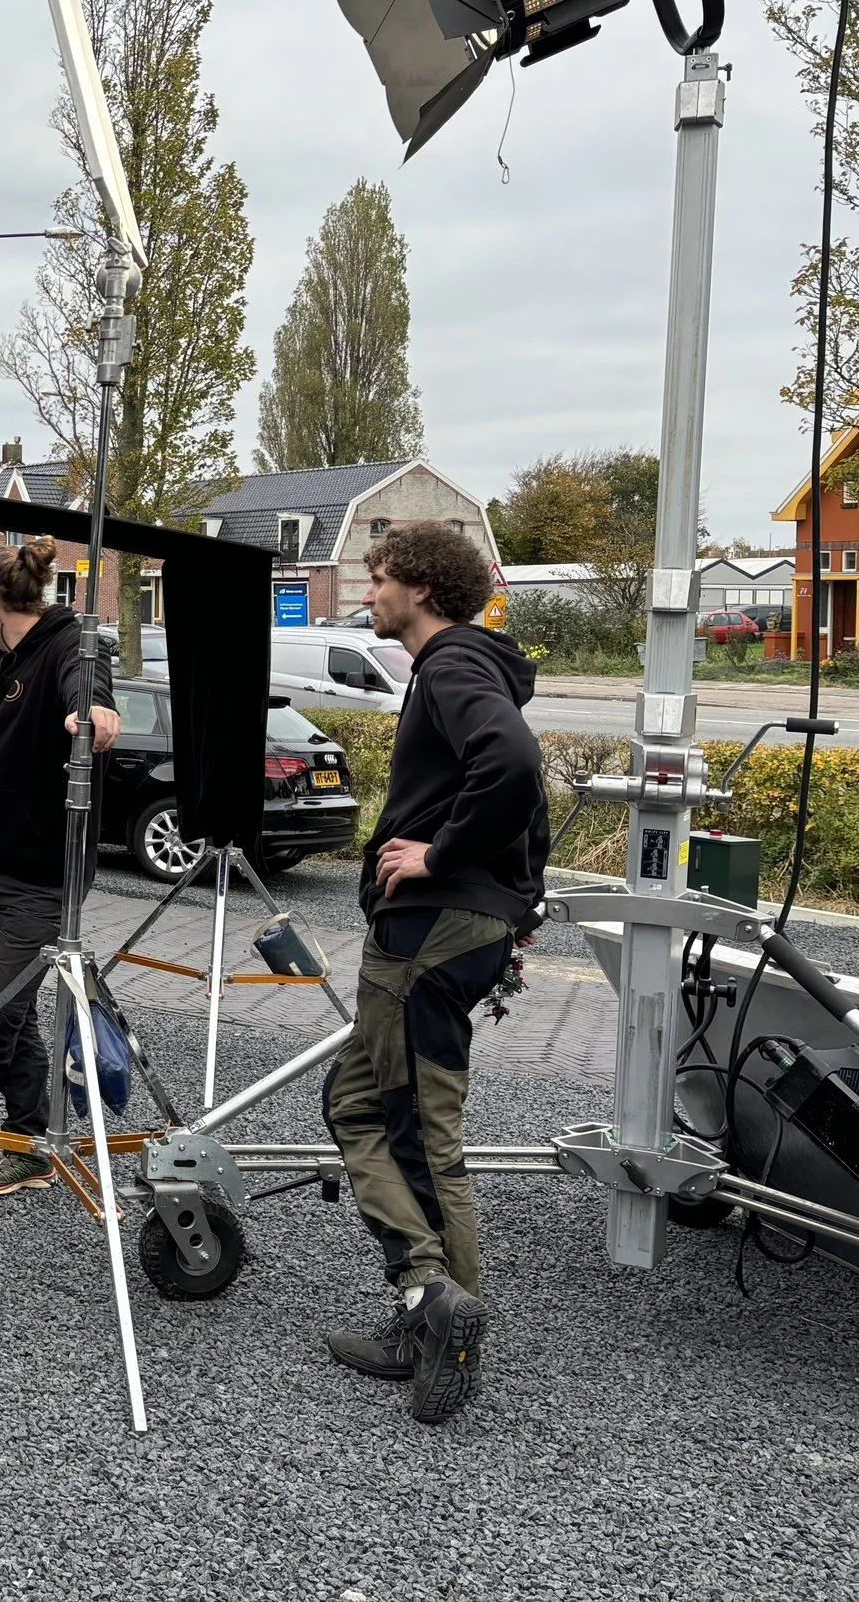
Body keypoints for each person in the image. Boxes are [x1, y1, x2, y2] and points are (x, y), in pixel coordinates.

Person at [321, 521, 547, 1426]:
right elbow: (514, 791)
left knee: (411, 1122)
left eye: (377, 578)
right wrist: (504, 896)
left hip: (428, 930)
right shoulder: (469, 665)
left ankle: (438, 1314)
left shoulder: (450, 664)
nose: (368, 593)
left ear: (417, 585)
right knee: (363, 1103)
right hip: (455, 925)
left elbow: (516, 768)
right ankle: (429, 1302)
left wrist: (439, 857)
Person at [0, 539, 118, 1196]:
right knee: (15, 1010)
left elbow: (89, 680)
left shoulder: (67, 644)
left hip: (40, 874)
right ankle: (30, 1142)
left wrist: (94, 710)